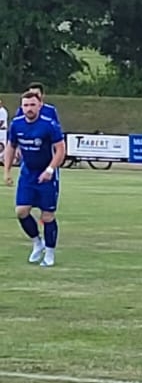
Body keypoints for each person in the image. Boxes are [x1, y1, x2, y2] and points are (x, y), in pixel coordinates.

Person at [6, 91, 67, 267]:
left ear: (40, 106)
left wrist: (50, 170)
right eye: (25, 105)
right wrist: (7, 171)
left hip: (47, 175)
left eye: (32, 105)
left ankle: (50, 253)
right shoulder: (16, 124)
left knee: (47, 216)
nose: (29, 109)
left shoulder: (49, 125)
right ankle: (37, 243)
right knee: (21, 211)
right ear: (21, 107)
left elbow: (61, 150)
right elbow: (11, 146)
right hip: (28, 174)